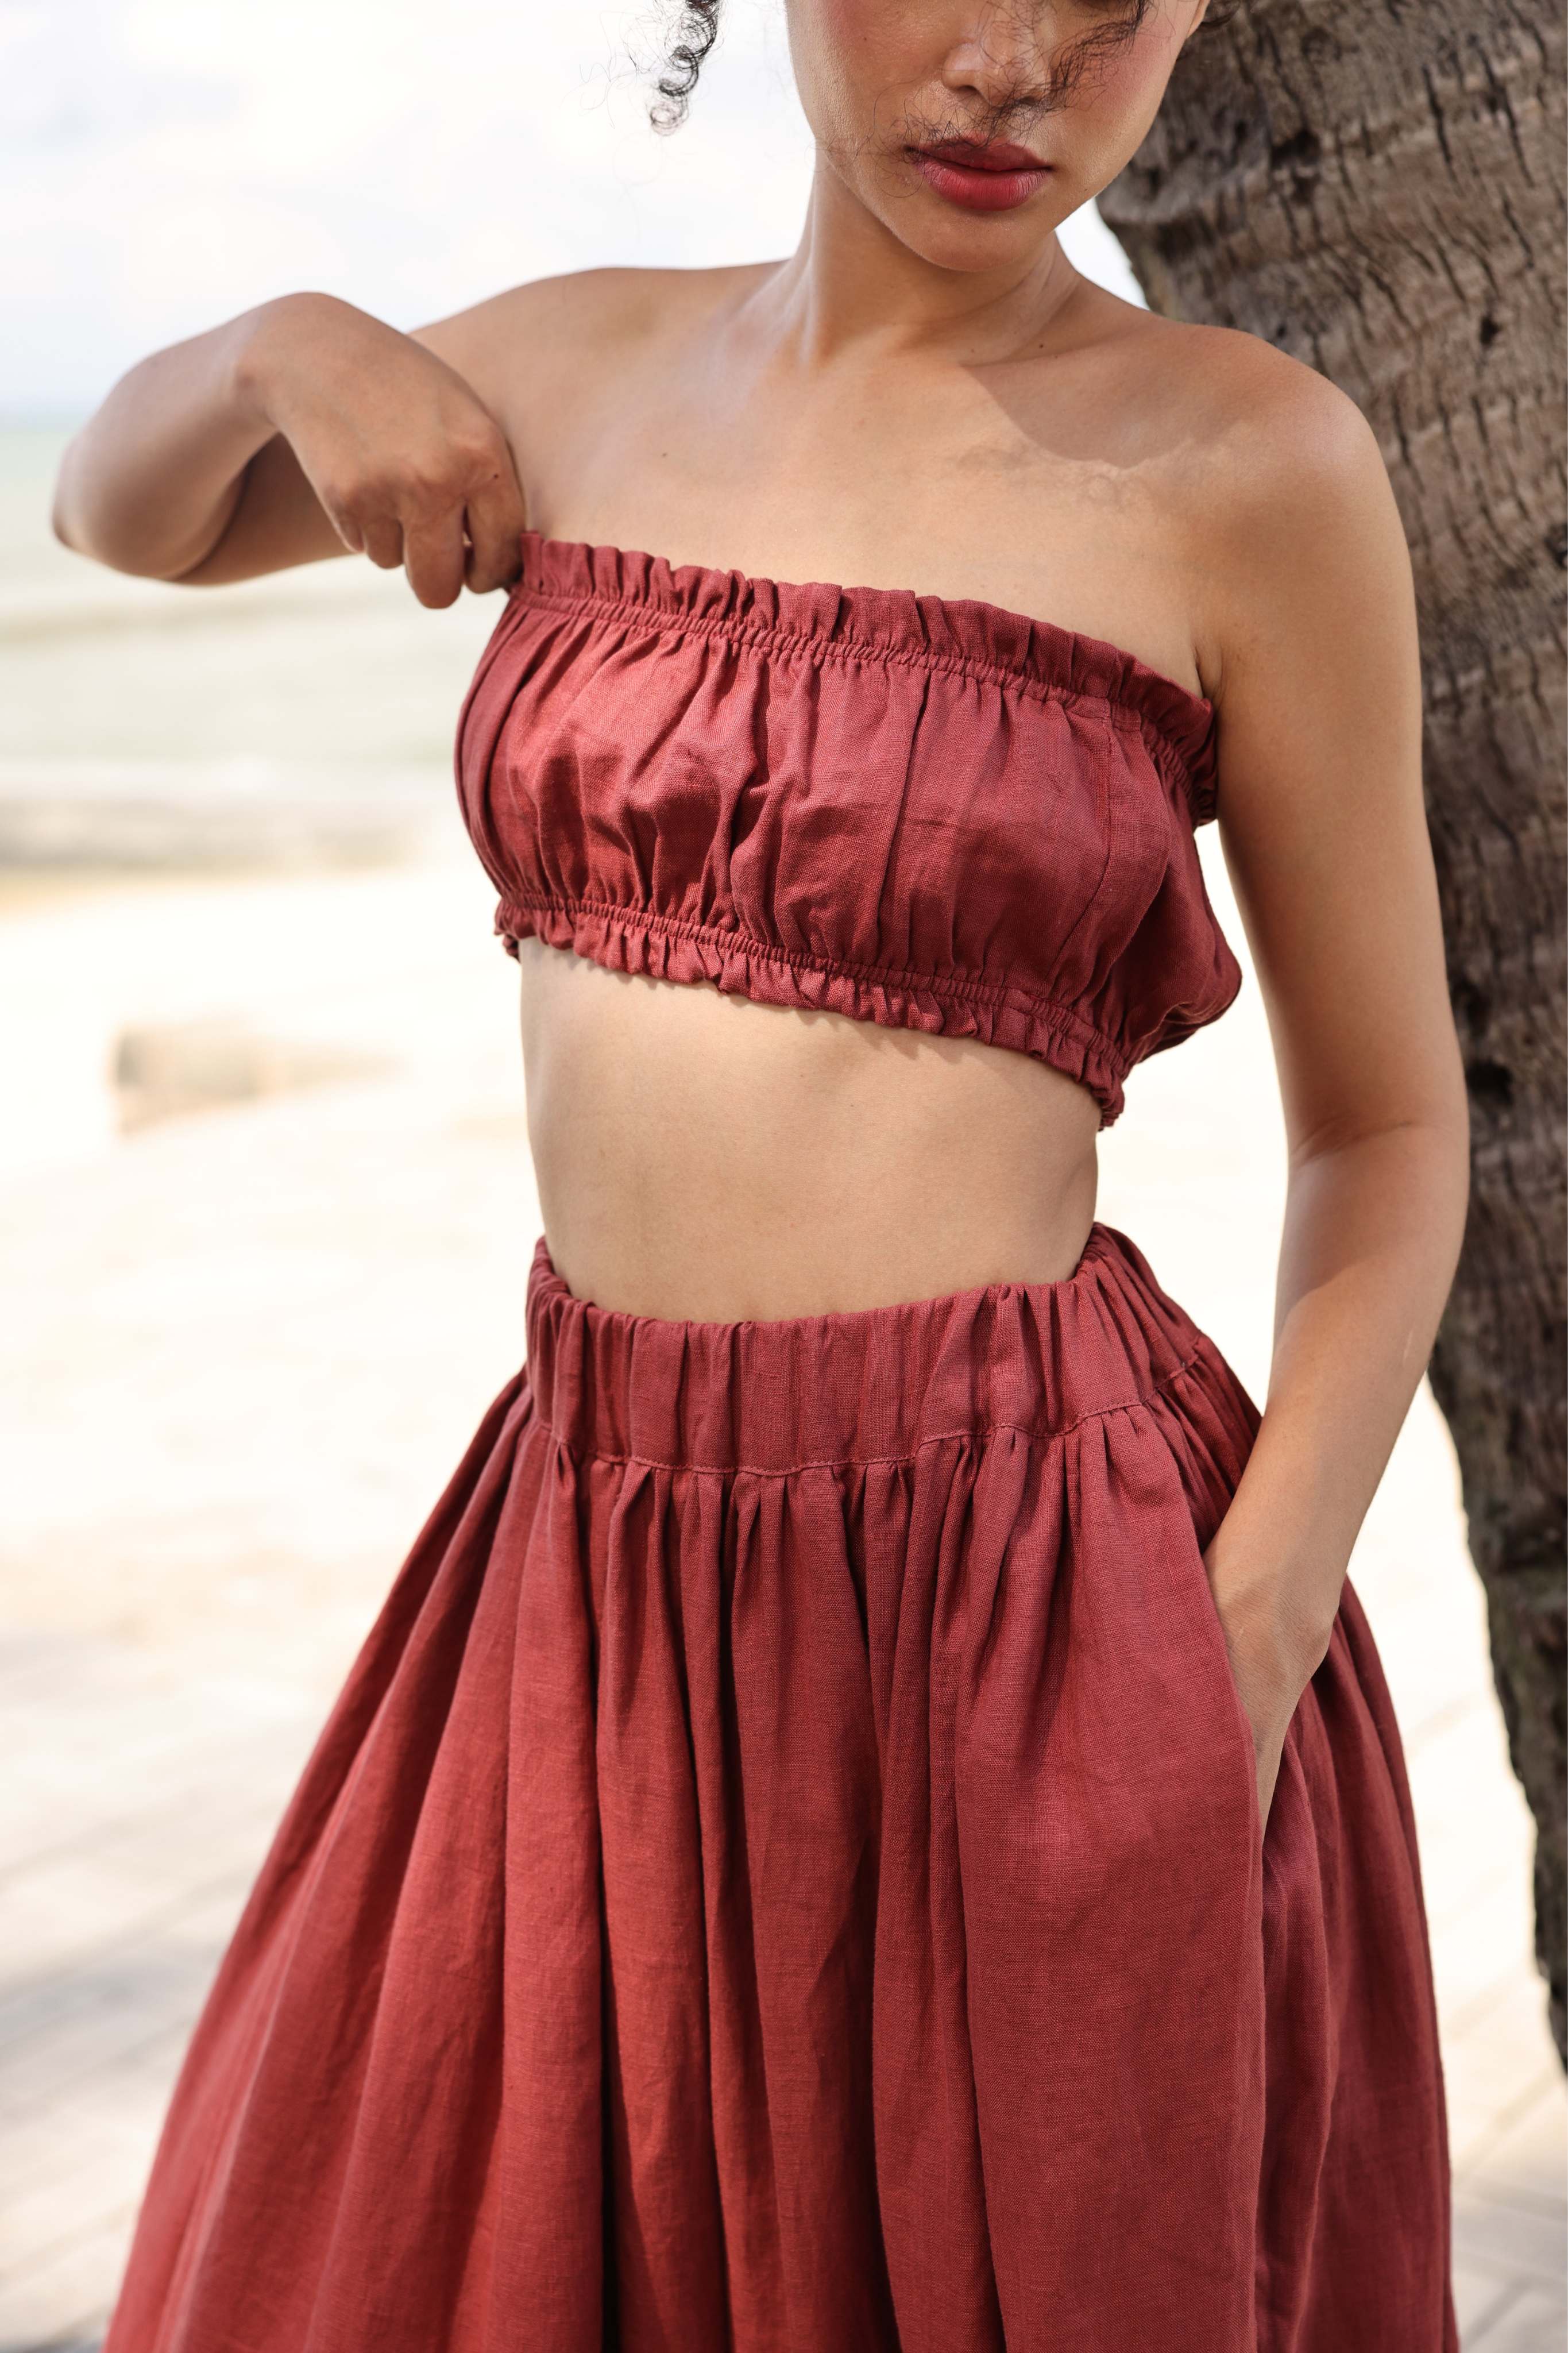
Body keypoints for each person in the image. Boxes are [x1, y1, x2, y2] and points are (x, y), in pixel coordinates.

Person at [54, 1, 1470, 2346]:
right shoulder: (577, 375)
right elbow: (121, 508)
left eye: (1112, 1)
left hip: (1024, 1601)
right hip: (582, 1556)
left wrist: (1239, 1631)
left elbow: (1386, 1125)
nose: (1021, 64)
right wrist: (286, 346)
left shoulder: (1245, 465)